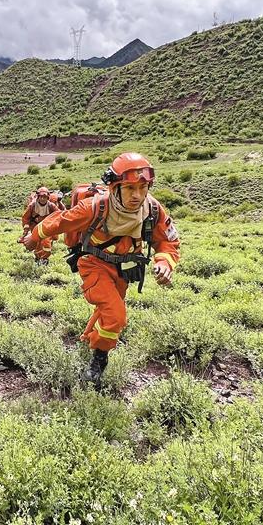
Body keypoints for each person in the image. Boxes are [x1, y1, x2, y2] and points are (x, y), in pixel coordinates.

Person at [23, 153, 180, 387]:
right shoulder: (95, 207)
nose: (137, 195)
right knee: (115, 315)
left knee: (107, 310)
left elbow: (168, 241)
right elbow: (61, 221)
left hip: (125, 268)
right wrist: (34, 237)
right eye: (129, 188)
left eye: (143, 187)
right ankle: (99, 360)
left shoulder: (154, 210)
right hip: (95, 264)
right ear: (115, 187)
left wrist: (165, 263)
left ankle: (88, 339)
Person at [21, 186, 59, 265]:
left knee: (46, 243)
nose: (42, 199)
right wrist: (26, 228)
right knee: (37, 243)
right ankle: (38, 258)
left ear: (47, 197)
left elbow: (58, 215)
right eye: (41, 197)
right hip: (35, 227)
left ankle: (44, 259)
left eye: (44, 197)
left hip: (47, 228)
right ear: (38, 197)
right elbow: (25, 218)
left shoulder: (51, 206)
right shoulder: (32, 206)